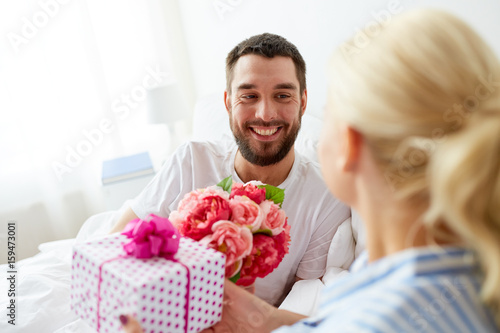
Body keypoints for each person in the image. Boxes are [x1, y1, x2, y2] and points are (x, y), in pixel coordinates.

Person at [120, 8, 500, 332]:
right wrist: (256, 316)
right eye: (249, 95)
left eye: (327, 112)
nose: (266, 114)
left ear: (348, 143)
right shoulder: (445, 275)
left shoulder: (382, 314)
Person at [109, 33, 352, 306]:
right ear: (227, 102)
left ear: (303, 102)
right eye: (249, 96)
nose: (265, 113)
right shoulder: (192, 159)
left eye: (282, 95)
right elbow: (116, 242)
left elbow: (300, 303)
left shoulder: (326, 196)